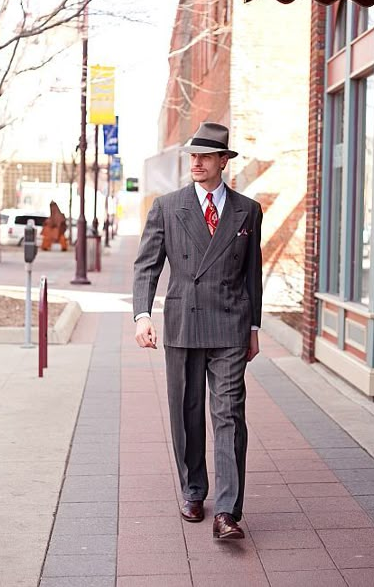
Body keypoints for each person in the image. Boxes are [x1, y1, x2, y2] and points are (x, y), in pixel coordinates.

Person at [133, 122, 263, 540]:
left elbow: (252, 275)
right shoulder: (167, 207)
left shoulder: (248, 210)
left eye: (206, 155)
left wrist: (254, 326)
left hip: (230, 324)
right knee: (187, 413)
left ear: (224, 161)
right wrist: (142, 315)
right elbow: (147, 265)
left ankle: (228, 510)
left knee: (229, 415)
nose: (197, 162)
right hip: (184, 323)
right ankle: (193, 490)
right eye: (193, 155)